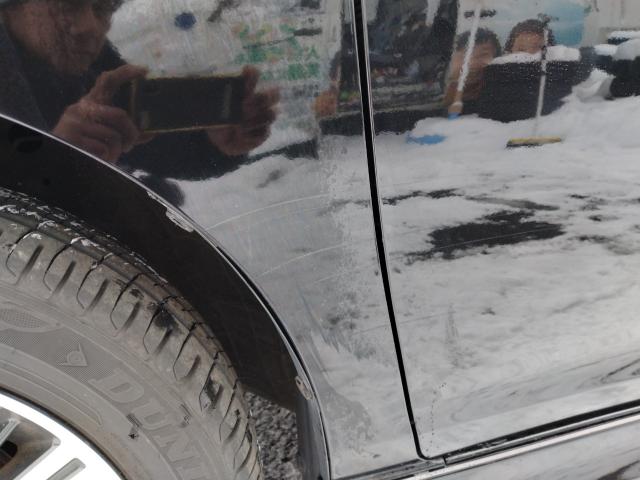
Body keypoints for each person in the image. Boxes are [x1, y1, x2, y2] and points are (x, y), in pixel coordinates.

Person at [0, 0, 279, 193]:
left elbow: (147, 145)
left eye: (103, 9)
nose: (90, 27)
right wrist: (50, 161)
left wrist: (211, 143)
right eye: (67, 5)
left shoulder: (94, 73)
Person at [443, 28, 501, 115]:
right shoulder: (445, 93)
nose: (471, 63)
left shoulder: (499, 94)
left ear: (497, 60)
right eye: (464, 56)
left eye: (483, 55)